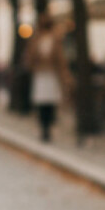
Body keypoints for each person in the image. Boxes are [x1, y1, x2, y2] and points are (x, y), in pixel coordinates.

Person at [23, 13, 70, 141]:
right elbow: (30, 57)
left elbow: (60, 60)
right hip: (41, 75)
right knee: (42, 103)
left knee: (50, 103)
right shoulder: (36, 40)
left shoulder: (55, 40)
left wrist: (63, 74)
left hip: (51, 75)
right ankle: (44, 128)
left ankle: (47, 128)